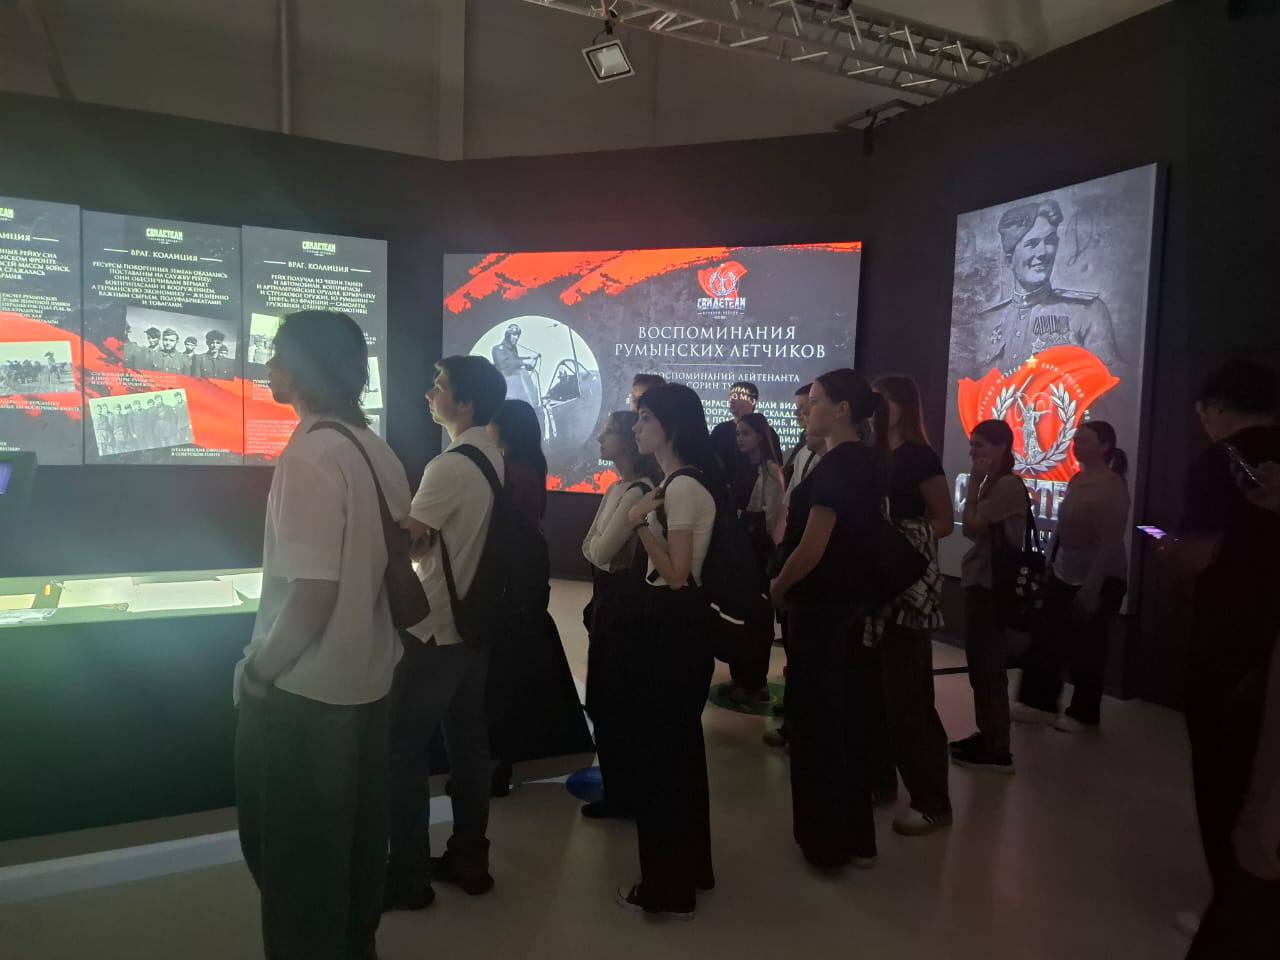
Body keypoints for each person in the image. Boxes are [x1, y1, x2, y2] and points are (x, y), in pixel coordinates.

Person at [232, 309, 411, 960]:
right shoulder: (374, 447)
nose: (268, 366)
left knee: (297, 871)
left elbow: (313, 593)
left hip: (307, 694)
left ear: (306, 369)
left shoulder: (311, 454)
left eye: (278, 355)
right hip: (368, 680)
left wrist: (258, 669)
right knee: (355, 855)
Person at [1160, 360, 1280, 958]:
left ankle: (1237, 909)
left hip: (1229, 654)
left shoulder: (1220, 462)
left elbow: (1198, 555)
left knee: (1226, 793)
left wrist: (1171, 551)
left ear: (1216, 407)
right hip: (1266, 653)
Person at [386, 355, 508, 911]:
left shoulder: (449, 466)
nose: (429, 394)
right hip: (473, 622)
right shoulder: (491, 455)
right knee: (467, 744)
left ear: (466, 402)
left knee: (402, 748)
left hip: (435, 626)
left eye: (439, 387)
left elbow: (412, 540)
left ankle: (408, 875)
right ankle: (469, 857)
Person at [768, 369, 887, 872]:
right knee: (846, 724)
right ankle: (855, 837)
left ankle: (825, 843)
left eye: (815, 401)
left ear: (842, 410)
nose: (807, 410)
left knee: (817, 728)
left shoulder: (838, 466)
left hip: (822, 613)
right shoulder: (862, 461)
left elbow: (812, 547)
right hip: (847, 610)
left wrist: (777, 587)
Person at [619, 383, 722, 919]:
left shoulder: (681, 488)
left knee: (663, 756)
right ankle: (689, 871)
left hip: (674, 628)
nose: (637, 428)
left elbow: (678, 575)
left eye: (646, 419)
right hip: (680, 632)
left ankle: (667, 885)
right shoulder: (681, 482)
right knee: (678, 753)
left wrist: (638, 523)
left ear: (672, 427)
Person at [865, 375, 954, 836]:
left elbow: (944, 520)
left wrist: (902, 543)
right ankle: (881, 779)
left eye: (883, 400)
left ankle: (931, 798)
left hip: (906, 585)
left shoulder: (919, 457)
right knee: (876, 691)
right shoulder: (873, 453)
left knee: (908, 695)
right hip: (875, 584)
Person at [1013, 421, 1130, 731]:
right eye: (1076, 439)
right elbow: (1063, 527)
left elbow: (1110, 543)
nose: (1077, 445)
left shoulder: (1112, 486)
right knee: (1046, 638)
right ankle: (1038, 703)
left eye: (1085, 440)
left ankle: (1084, 713)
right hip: (1064, 572)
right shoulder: (1079, 479)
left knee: (1087, 648)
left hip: (1098, 578)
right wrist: (1048, 562)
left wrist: (1091, 588)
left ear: (1105, 446)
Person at [481, 398, 569, 798]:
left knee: (504, 665)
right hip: (528, 568)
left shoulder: (513, 471)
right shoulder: (530, 465)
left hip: (514, 572)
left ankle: (499, 762)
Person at [581, 411, 662, 819]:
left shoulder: (635, 492)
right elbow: (590, 547)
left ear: (629, 441)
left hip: (623, 609)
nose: (601, 438)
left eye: (610, 432)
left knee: (615, 698)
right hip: (610, 602)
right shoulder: (618, 487)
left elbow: (599, 550)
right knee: (606, 697)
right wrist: (597, 548)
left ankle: (624, 793)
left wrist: (598, 548)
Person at [949, 418, 1028, 775]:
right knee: (981, 665)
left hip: (991, 586)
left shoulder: (1007, 485)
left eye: (979, 446)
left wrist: (974, 485)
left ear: (1001, 448)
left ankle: (997, 748)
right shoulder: (996, 483)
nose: (972, 453)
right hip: (982, 582)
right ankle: (988, 736)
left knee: (989, 666)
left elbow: (972, 525)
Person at [969, 198, 1124, 378]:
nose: (1043, 252)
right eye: (1032, 244)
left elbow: (1111, 383)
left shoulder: (1087, 312)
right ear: (1009, 260)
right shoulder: (984, 324)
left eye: (1050, 241)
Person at [717, 411, 785, 705]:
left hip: (757, 556)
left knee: (757, 618)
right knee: (738, 615)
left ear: (760, 436)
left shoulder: (770, 471)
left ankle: (755, 682)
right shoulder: (741, 468)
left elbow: (773, 519)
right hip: (739, 553)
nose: (739, 439)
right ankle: (740, 677)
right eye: (737, 434)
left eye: (745, 433)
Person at [709, 381, 780, 476]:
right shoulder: (720, 430)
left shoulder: (766, 431)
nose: (732, 400)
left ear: (752, 401)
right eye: (731, 396)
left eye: (738, 396)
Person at [491, 323, 540, 409]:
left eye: (518, 335)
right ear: (508, 335)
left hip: (520, 389)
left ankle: (533, 406)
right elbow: (504, 364)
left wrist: (531, 358)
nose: (517, 338)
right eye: (514, 335)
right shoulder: (497, 349)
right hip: (508, 389)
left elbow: (516, 361)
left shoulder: (513, 350)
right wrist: (524, 362)